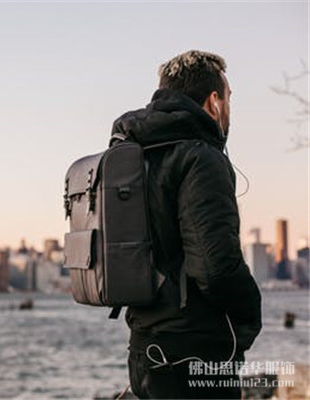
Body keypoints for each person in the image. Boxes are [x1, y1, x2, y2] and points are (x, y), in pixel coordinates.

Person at [111, 50, 262, 399]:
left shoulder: (135, 153)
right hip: (195, 352)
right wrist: (249, 318)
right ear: (214, 102)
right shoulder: (201, 157)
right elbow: (215, 266)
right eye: (229, 98)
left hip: (144, 347)